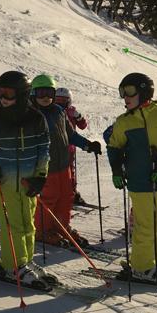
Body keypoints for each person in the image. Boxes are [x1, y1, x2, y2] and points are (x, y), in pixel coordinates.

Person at [106, 72, 157, 283]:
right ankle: (141, 267)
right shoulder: (124, 122)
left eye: (129, 92)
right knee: (145, 225)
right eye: (122, 93)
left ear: (144, 91)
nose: (125, 97)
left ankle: (153, 262)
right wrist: (116, 170)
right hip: (139, 180)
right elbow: (114, 148)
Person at [0, 71, 51, 288]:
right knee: (12, 226)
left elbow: (44, 151)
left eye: (7, 93)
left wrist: (40, 176)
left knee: (28, 224)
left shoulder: (36, 119)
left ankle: (25, 260)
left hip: (29, 183)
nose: (2, 98)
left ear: (22, 94)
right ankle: (12, 265)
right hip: (5, 184)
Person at [30, 74, 101, 246]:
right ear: (33, 94)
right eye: (41, 93)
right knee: (49, 198)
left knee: (66, 196)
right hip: (46, 167)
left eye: (49, 93)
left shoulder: (58, 111)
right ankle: (42, 230)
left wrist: (87, 145)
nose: (46, 97)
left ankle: (62, 226)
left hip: (64, 165)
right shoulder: (31, 115)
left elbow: (71, 134)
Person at [55, 86, 89, 205]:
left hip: (69, 147)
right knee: (55, 171)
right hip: (55, 147)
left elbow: (83, 126)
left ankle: (72, 194)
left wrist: (78, 117)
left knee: (70, 171)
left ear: (69, 101)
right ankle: (59, 194)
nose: (60, 103)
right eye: (57, 100)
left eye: (63, 101)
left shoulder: (71, 112)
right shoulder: (52, 111)